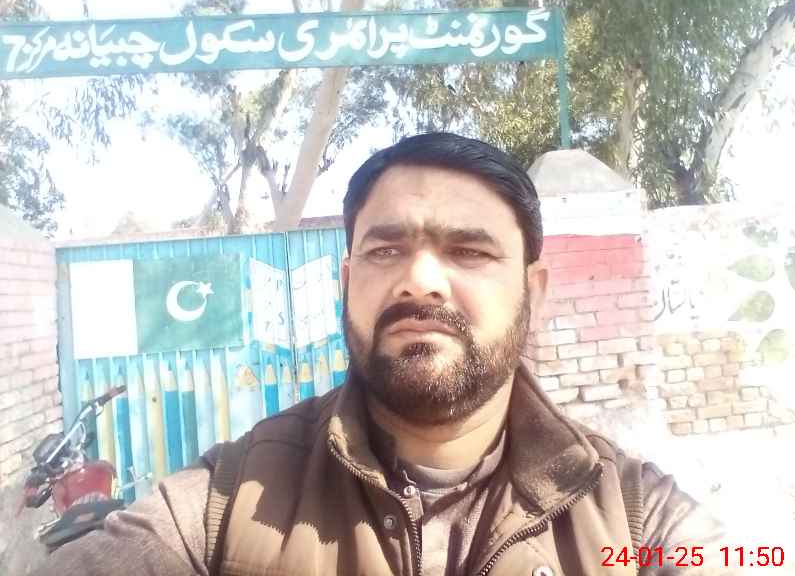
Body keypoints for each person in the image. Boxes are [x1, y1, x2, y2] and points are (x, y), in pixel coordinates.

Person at [35, 133, 730, 576]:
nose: (419, 279)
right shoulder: (226, 502)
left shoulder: (635, 521)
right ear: (347, 283)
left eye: (469, 251)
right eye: (386, 249)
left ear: (534, 291)